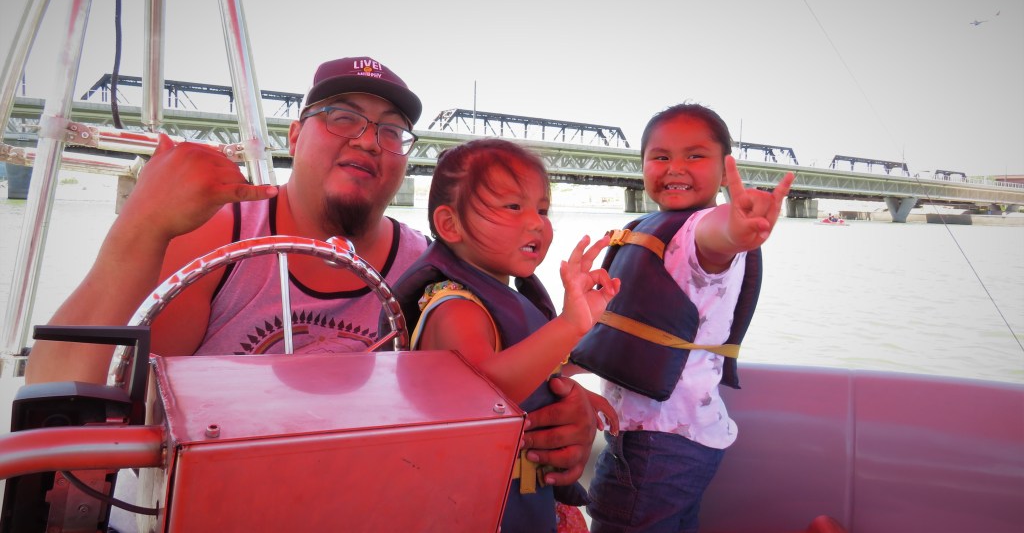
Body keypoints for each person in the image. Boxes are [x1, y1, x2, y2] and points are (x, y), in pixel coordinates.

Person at [23, 56, 600, 517]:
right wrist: (140, 227)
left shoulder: (435, 270)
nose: (369, 140)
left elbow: (507, 384)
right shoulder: (217, 236)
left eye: (391, 131)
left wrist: (567, 419)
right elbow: (61, 398)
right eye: (343, 117)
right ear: (295, 135)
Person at [571, 103, 795, 533]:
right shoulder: (656, 227)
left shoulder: (700, 231)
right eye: (660, 157)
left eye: (695, 155)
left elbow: (718, 234)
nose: (675, 168)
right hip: (681, 437)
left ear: (725, 169)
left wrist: (738, 228)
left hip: (656, 444)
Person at [388, 138, 621, 533]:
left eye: (542, 210)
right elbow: (486, 396)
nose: (537, 222)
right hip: (483, 508)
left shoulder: (494, 297)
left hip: (526, 494)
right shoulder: (454, 306)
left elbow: (528, 375)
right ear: (450, 225)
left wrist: (568, 391)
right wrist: (570, 325)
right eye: (513, 207)